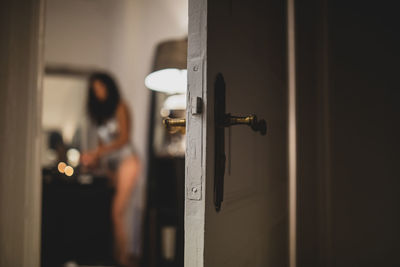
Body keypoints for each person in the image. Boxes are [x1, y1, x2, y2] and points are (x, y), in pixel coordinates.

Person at [81, 72, 140, 266]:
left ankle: (124, 260)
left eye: (101, 87)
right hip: (113, 166)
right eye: (95, 89)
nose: (98, 92)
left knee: (117, 212)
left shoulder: (120, 106)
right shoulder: (100, 118)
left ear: (109, 87)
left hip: (128, 160)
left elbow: (124, 139)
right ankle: (119, 257)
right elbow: (103, 150)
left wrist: (97, 152)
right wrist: (94, 159)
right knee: (117, 213)